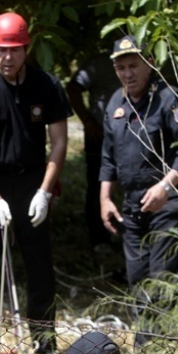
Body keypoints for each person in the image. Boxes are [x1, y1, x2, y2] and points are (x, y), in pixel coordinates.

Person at [0, 11, 72, 354]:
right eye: (0, 51)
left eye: (15, 50)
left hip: (32, 182)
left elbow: (59, 143)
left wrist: (44, 190)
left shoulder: (47, 86)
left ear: (26, 48)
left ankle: (45, 343)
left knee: (40, 266)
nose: (8, 58)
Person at [99, 36, 178, 345]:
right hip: (131, 203)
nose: (128, 74)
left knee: (164, 274)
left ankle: (166, 343)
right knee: (137, 274)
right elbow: (108, 157)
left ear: (149, 63)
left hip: (166, 201)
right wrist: (104, 198)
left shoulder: (169, 98)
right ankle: (145, 343)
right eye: (121, 68)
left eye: (133, 66)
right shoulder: (116, 103)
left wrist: (165, 187)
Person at [66, 51, 118, 258]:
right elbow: (73, 87)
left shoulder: (145, 59)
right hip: (100, 135)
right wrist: (87, 121)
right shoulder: (99, 62)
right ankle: (100, 240)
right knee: (97, 185)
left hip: (133, 136)